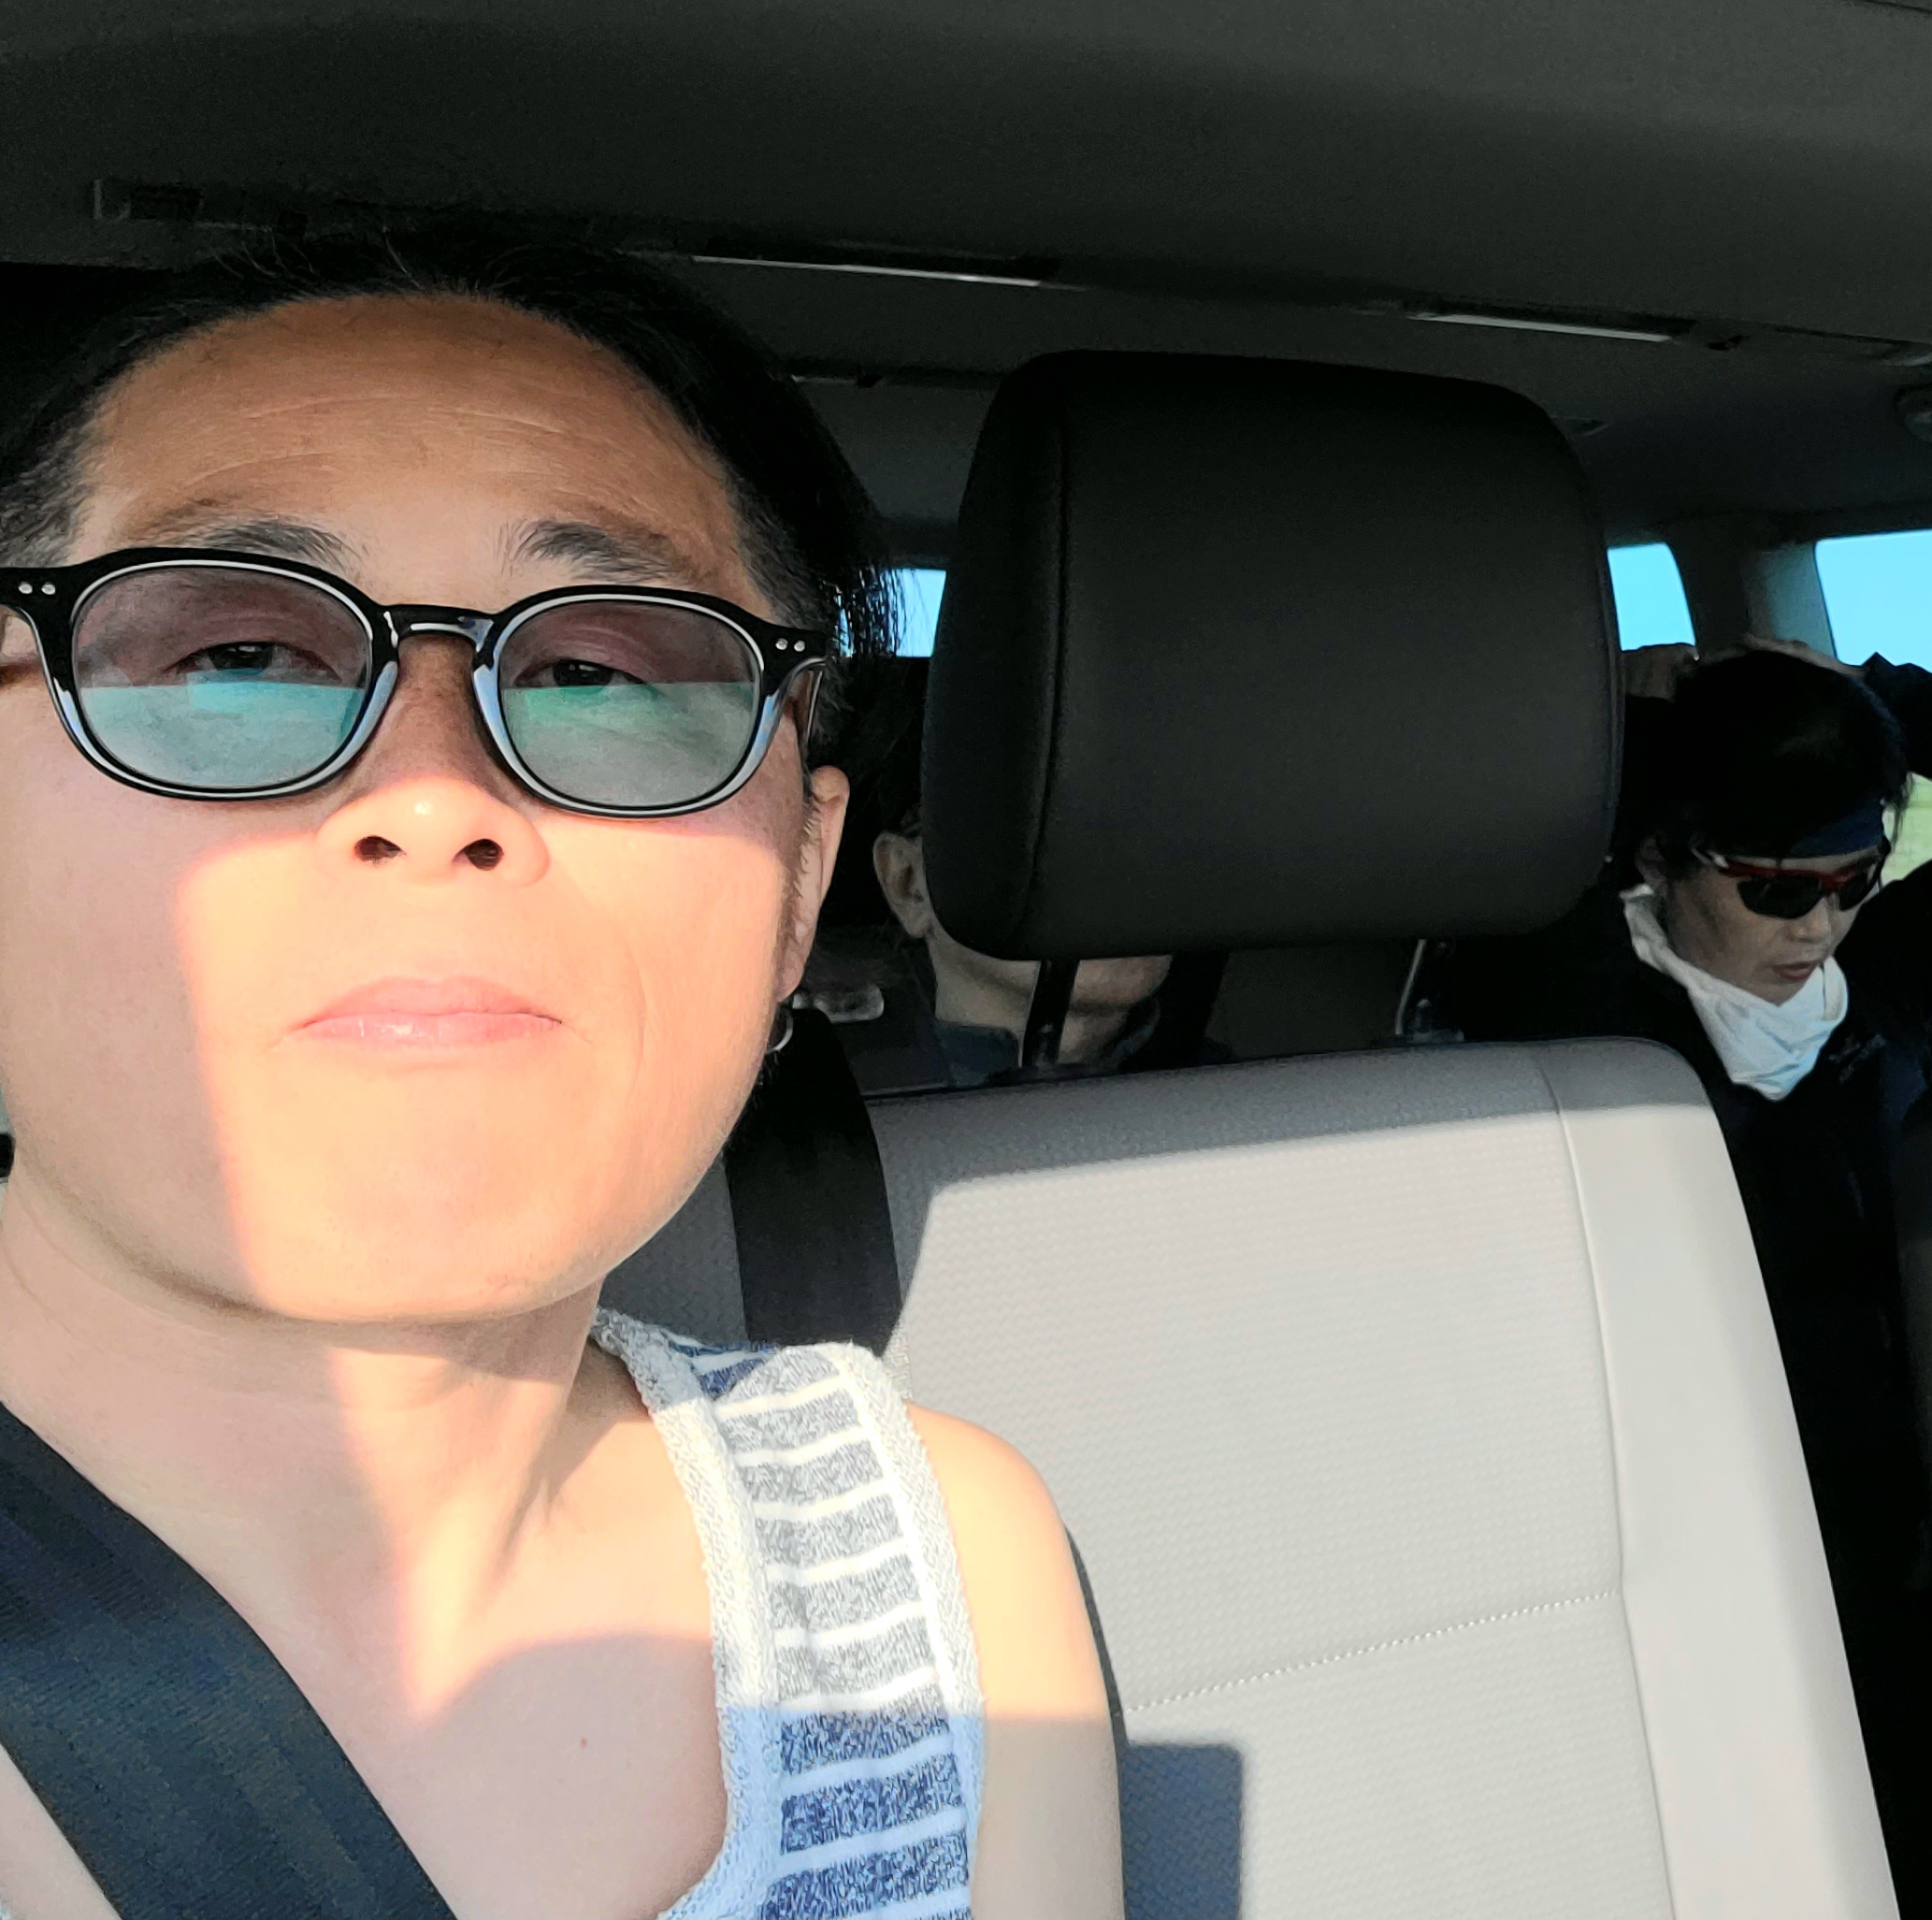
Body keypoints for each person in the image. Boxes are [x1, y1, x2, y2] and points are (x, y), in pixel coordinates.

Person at [0, 232, 1119, 1915]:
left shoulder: (940, 1563)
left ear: (800, 891)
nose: (434, 791)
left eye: (597, 674)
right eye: (233, 660)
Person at [1441, 636, 1932, 1915]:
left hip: (1915, 1565)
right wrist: (1640, 718)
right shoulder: (1566, 990)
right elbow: (1489, 830)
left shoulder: (1882, 983)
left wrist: (1883, 695)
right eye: (1778, 890)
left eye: (1855, 880)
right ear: (1665, 853)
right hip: (1694, 1574)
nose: (1820, 927)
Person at [815, 657, 1213, 1092]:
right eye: (1036, 815)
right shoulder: (830, 1109)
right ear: (908, 883)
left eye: (1156, 812)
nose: (1118, 851)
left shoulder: (1251, 1098)